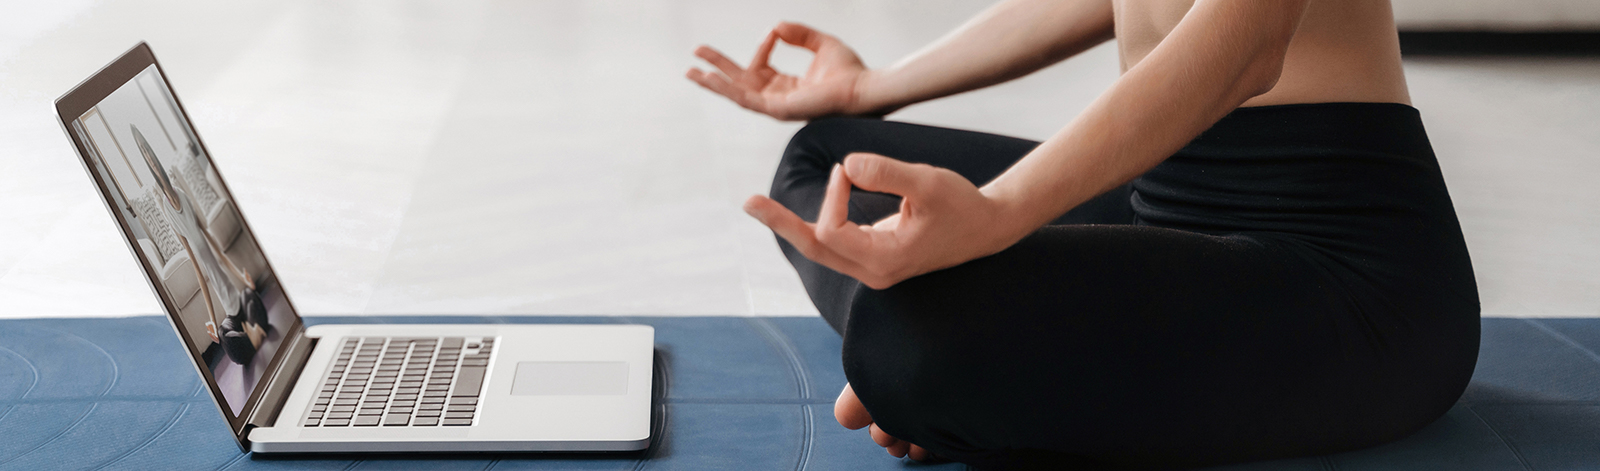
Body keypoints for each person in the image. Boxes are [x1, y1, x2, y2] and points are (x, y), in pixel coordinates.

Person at [687, 0, 1479, 469]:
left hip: (1348, 276)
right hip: (1166, 202)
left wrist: (997, 216)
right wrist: (869, 87)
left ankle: (921, 346)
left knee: (906, 328)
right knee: (829, 156)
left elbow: (1252, 42)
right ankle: (937, 358)